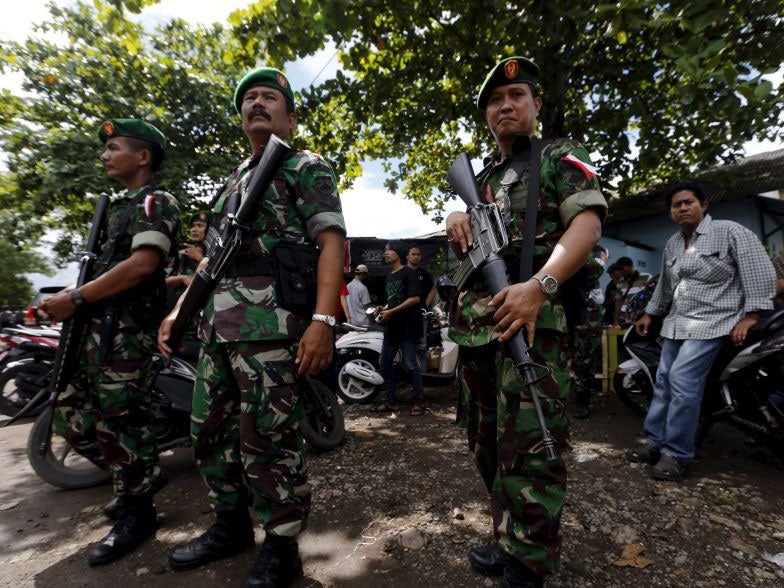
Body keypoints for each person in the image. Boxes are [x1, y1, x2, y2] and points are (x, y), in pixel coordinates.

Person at [157, 67, 346, 587]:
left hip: (269, 325)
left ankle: (282, 547)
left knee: (267, 438)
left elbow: (331, 243)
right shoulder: (233, 181)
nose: (257, 103)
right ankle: (230, 527)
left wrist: (323, 321)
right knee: (209, 433)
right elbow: (209, 259)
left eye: (269, 97)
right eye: (249, 98)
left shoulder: (303, 166)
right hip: (217, 329)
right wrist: (178, 313)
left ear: (289, 114)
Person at [445, 56, 606, 587]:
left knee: (533, 445)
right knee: (486, 439)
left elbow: (585, 226)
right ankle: (508, 537)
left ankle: (532, 561)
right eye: (495, 100)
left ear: (536, 104)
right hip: (478, 328)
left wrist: (543, 286)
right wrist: (456, 216)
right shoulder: (485, 178)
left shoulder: (559, 155)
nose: (506, 106)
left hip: (534, 325)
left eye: (517, 96)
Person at [39, 118, 181, 566]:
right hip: (94, 331)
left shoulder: (156, 202)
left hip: (125, 335)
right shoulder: (114, 208)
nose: (105, 154)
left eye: (114, 147)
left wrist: (76, 297)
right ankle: (135, 477)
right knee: (70, 411)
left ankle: (139, 512)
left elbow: (142, 265)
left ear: (142, 157)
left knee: (121, 420)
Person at [626, 180, 775, 481]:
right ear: (671, 212)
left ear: (704, 205)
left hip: (714, 322)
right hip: (677, 323)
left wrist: (752, 316)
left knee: (682, 381)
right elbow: (666, 286)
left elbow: (759, 270)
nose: (682, 208)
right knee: (664, 380)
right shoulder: (672, 244)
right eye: (676, 205)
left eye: (688, 202)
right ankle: (653, 443)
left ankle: (676, 455)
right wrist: (649, 314)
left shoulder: (730, 232)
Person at [371, 240, 425, 416]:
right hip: (392, 328)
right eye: (385, 251)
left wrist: (391, 311)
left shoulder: (409, 273)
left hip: (407, 328)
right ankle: (391, 402)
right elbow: (395, 298)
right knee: (384, 363)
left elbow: (414, 299)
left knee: (411, 365)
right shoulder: (389, 276)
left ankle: (418, 403)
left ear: (398, 253)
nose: (385, 253)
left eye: (388, 250)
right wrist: (384, 308)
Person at [570, 244, 607, 419]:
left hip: (588, 320)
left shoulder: (596, 255)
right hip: (568, 312)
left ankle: (581, 399)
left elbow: (594, 271)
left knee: (586, 359)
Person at [612, 256, 651, 327]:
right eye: (619, 269)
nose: (621, 271)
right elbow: (618, 303)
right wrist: (616, 321)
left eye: (622, 268)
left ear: (631, 266)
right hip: (624, 318)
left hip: (640, 316)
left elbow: (651, 297)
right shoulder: (620, 283)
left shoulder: (647, 277)